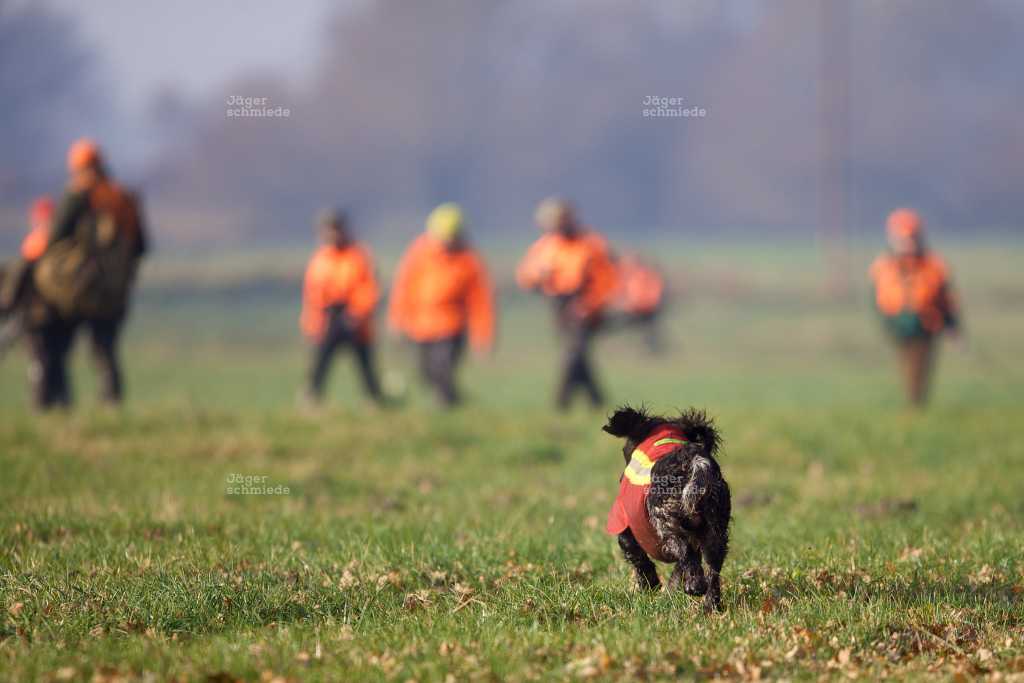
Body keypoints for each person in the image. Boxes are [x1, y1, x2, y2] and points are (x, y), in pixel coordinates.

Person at [41, 138, 149, 405]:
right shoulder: (123, 197)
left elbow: (54, 237)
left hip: (77, 287)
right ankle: (111, 405)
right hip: (113, 290)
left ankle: (58, 404)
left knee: (58, 347)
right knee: (105, 351)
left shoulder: (78, 194)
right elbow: (142, 245)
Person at [388, 203, 495, 407]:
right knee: (426, 374)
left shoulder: (469, 260)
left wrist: (483, 336)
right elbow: (403, 288)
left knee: (442, 367)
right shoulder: (417, 253)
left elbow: (480, 302)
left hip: (451, 326)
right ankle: (455, 400)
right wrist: (397, 320)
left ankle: (447, 405)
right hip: (419, 325)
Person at [517, 198, 618, 410]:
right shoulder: (546, 245)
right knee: (578, 355)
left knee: (573, 353)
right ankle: (597, 402)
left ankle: (561, 403)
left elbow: (608, 279)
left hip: (585, 306)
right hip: (558, 305)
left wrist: (590, 304)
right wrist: (539, 276)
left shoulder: (592, 243)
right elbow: (525, 275)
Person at [869, 208, 961, 407]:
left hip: (926, 324)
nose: (906, 245)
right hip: (898, 324)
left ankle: (916, 405)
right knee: (907, 365)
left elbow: (947, 298)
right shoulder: (883, 265)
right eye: (901, 239)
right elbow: (877, 299)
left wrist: (953, 325)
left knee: (920, 365)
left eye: (910, 238)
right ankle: (914, 404)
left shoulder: (933, 264)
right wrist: (887, 322)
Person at [300, 209, 383, 405]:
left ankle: (373, 399)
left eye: (335, 229)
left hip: (354, 317)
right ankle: (312, 396)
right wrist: (311, 323)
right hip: (328, 316)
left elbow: (369, 287)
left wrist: (358, 312)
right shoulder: (320, 259)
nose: (331, 235)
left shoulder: (358, 255)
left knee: (364, 361)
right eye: (327, 230)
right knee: (321, 360)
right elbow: (312, 294)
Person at [0, 197, 75, 410]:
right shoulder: (66, 243)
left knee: (40, 363)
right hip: (63, 315)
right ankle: (63, 407)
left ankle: (40, 406)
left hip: (38, 316)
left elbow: (20, 280)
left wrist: (6, 305)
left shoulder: (37, 242)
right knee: (58, 363)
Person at [612, 251, 666, 353]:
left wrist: (646, 304)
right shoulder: (626, 277)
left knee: (648, 329)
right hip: (635, 308)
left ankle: (653, 348)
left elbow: (653, 292)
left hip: (645, 308)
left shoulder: (645, 275)